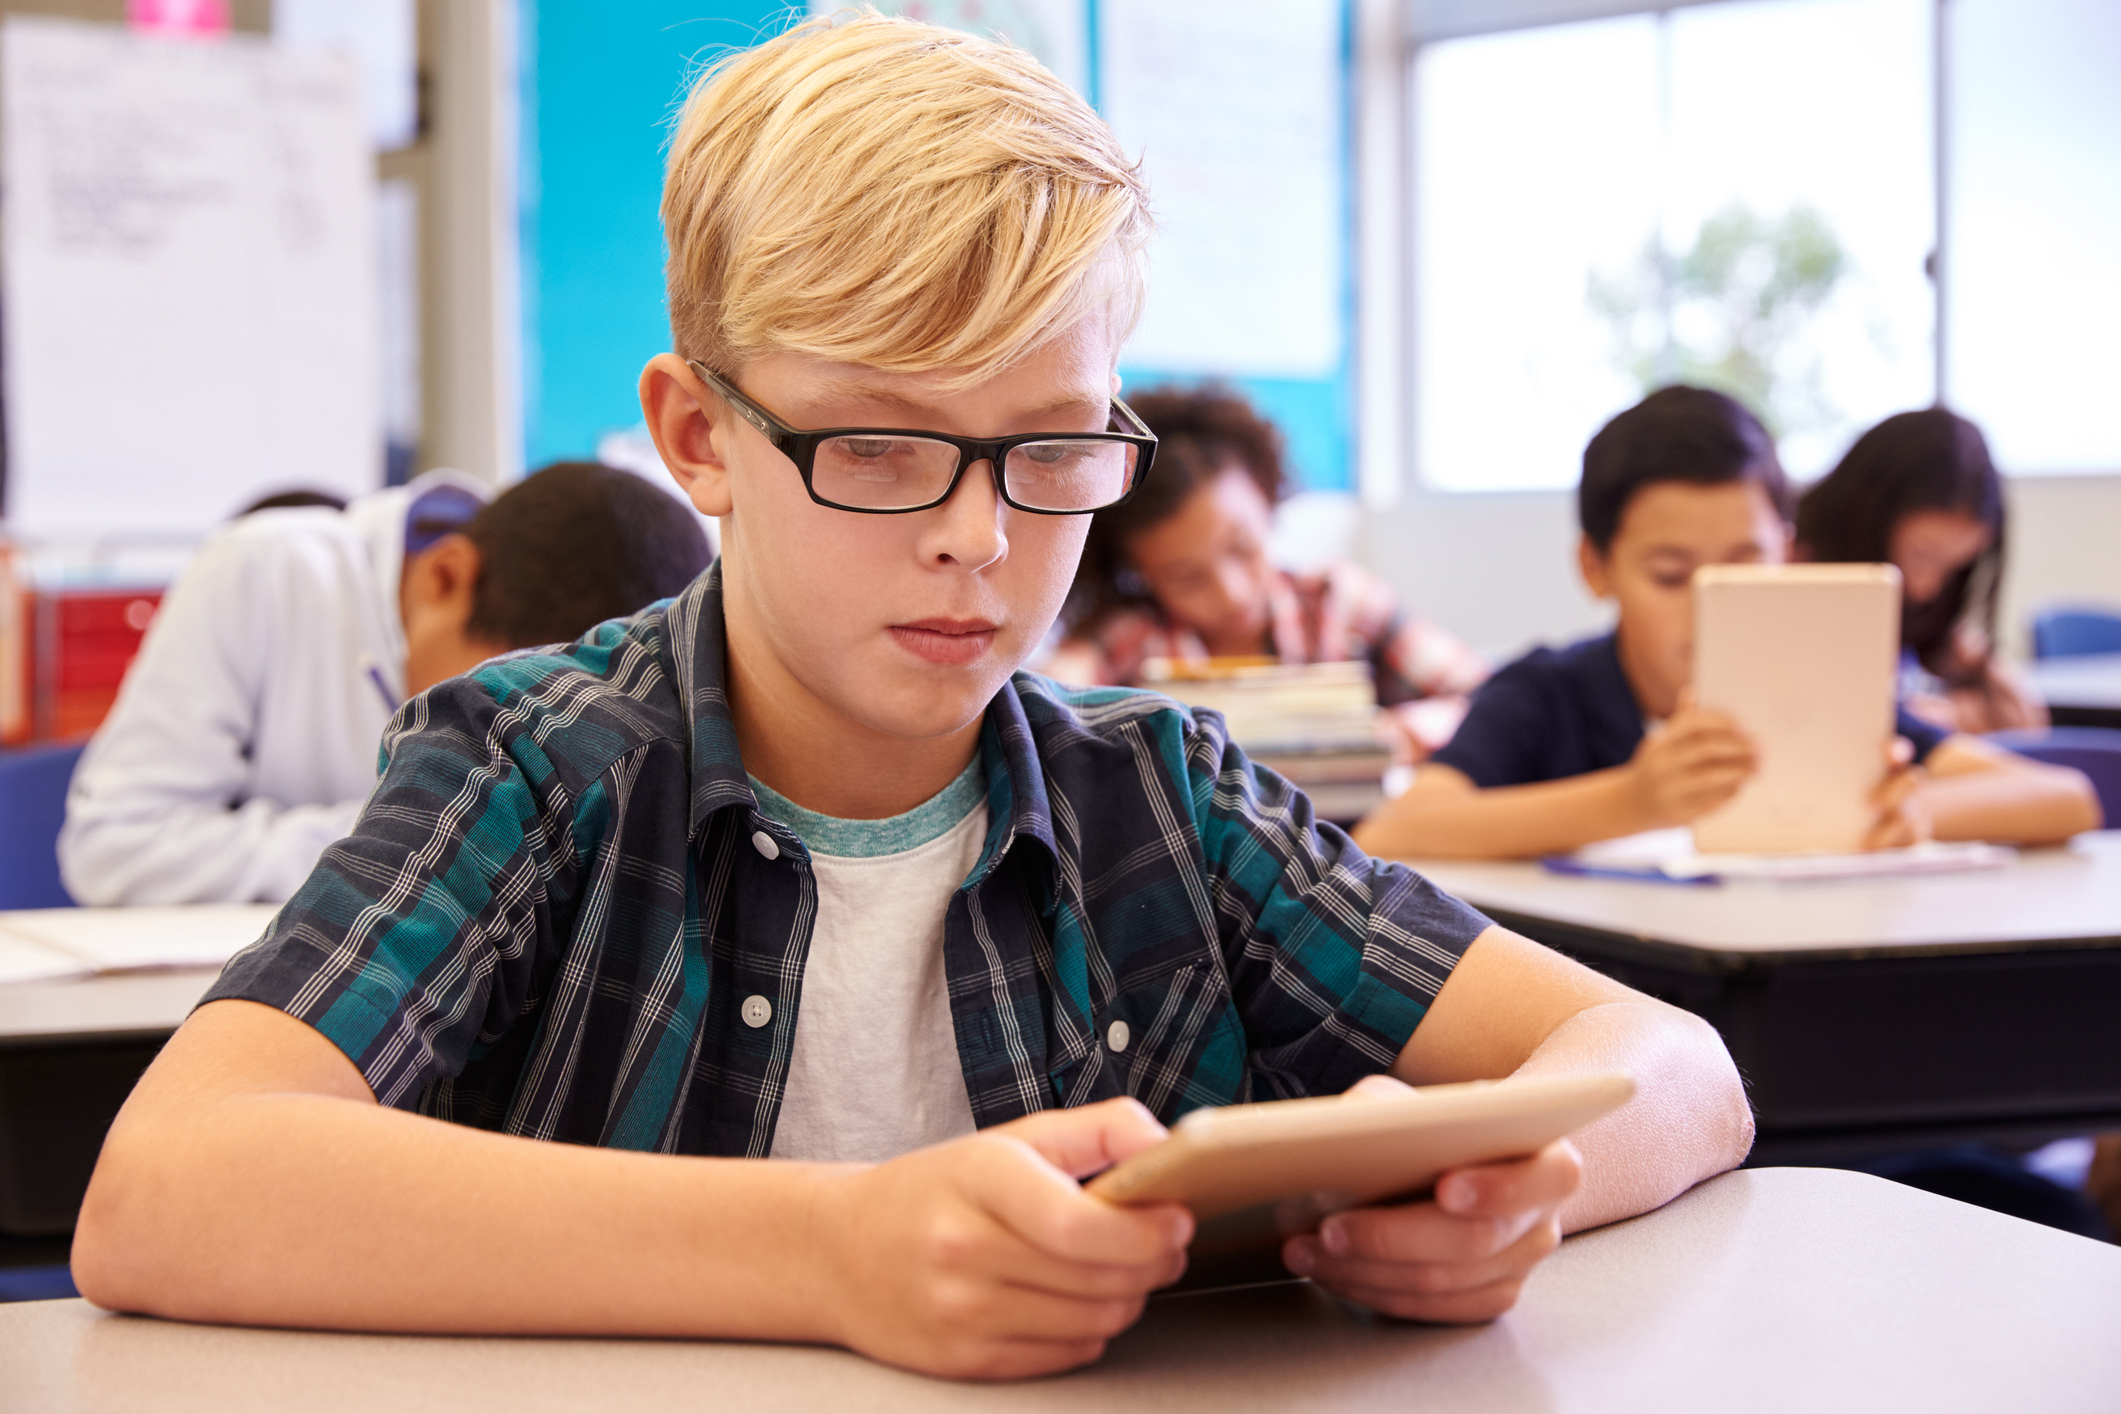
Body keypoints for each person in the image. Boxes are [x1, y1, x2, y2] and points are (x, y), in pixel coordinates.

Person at [73, 17, 1752, 1382]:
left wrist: (1505, 1189)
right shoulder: (533, 764)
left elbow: (1674, 1064)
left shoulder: (1160, 794)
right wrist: (837, 1246)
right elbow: (165, 1185)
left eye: (1050, 449)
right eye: (877, 443)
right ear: (700, 435)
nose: (978, 536)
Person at [1354, 387, 2101, 862]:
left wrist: (1910, 809)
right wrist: (1633, 801)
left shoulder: (1825, 697)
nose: (1709, 601)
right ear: (1596, 566)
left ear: (1787, 543)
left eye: (1746, 561)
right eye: (1672, 576)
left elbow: (2064, 798)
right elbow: (1396, 833)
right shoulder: (1547, 694)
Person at [60, 462, 712, 905]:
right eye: (512, 693)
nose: (525, 736)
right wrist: (421, 842)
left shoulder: (630, 651)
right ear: (445, 578)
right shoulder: (270, 570)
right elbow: (115, 847)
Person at [1045, 386, 1486, 757]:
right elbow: (1044, 703)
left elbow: (1486, 699)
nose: (1231, 593)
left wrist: (1396, 733)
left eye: (1243, 548)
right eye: (1186, 577)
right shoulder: (1137, 637)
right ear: (1138, 572)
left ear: (1267, 495)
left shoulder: (1339, 602)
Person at [1797, 407, 2043, 734]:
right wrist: (1959, 716)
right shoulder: (1799, 584)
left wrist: (1984, 678)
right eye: (1923, 555)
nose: (1928, 587)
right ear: (1867, 517)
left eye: (1955, 568)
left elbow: (2026, 719)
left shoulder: (1926, 618)